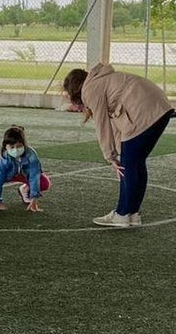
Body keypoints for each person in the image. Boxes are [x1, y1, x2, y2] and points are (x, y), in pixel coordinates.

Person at [63, 63, 175, 227]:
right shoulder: (103, 81)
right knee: (135, 163)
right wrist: (118, 154)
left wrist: (110, 156)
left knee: (129, 165)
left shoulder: (91, 89)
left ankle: (122, 214)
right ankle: (133, 214)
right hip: (160, 108)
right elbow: (115, 123)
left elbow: (102, 124)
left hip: (143, 111)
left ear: (75, 89)